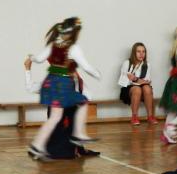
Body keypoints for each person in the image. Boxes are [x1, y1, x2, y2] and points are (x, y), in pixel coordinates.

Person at [24, 17, 101, 160]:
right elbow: (86, 66)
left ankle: (37, 145)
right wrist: (97, 73)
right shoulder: (73, 48)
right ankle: (78, 134)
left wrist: (31, 58)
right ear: (74, 32)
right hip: (62, 84)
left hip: (50, 82)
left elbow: (39, 59)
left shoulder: (52, 44)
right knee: (83, 101)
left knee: (55, 117)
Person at [118, 42, 156, 125]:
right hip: (128, 89)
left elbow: (147, 80)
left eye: (143, 51)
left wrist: (135, 79)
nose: (141, 54)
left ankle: (150, 116)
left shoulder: (147, 65)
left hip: (143, 88)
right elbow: (124, 81)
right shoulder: (127, 63)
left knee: (147, 88)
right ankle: (134, 117)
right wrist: (137, 80)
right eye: (138, 51)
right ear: (134, 53)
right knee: (137, 89)